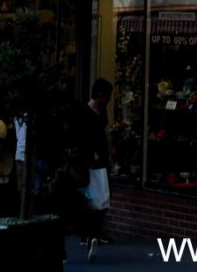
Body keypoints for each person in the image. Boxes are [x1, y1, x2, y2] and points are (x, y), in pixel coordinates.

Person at [72, 78, 113, 263]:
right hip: (90, 161)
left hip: (101, 159)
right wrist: (91, 154)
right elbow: (81, 137)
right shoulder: (84, 113)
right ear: (99, 94)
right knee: (92, 197)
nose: (109, 99)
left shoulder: (101, 111)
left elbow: (103, 130)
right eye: (107, 95)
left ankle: (93, 234)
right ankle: (89, 234)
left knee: (102, 198)